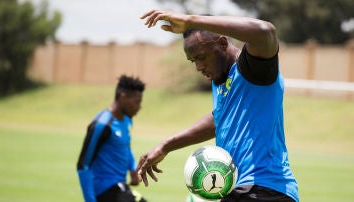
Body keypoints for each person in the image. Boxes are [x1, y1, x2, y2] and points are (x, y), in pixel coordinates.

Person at [136, 10, 299, 202]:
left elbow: (266, 31)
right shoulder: (221, 80)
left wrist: (191, 20)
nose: (198, 67)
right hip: (244, 191)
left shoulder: (253, 68)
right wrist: (166, 145)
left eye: (201, 57)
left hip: (263, 189)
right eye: (193, 61)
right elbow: (219, 119)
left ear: (222, 43)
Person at [76, 75, 147, 202]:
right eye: (137, 101)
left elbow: (125, 145)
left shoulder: (126, 120)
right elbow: (83, 165)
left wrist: (132, 169)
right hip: (104, 192)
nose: (139, 107)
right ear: (123, 97)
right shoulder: (102, 125)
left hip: (119, 188)